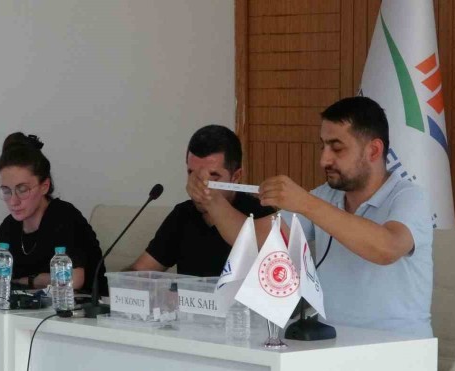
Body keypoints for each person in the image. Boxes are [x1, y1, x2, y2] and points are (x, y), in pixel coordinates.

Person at [187, 97, 433, 337]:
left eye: (337, 148)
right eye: (322, 146)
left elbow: (387, 249)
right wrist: (211, 199)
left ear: (373, 150)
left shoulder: (410, 197)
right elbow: (253, 240)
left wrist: (306, 203)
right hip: (330, 341)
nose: (324, 159)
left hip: (397, 347)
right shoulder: (324, 197)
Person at [128, 125, 273, 276]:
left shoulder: (262, 215)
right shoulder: (182, 215)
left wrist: (212, 200)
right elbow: (140, 271)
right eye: (192, 174)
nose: (199, 183)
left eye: (213, 176)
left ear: (235, 177)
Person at [0, 132, 104, 291]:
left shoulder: (64, 216)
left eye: (22, 190)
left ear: (44, 186)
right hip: (28, 305)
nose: (13, 201)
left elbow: (74, 279)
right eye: (6, 191)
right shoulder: (10, 224)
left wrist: (24, 280)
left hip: (80, 304)